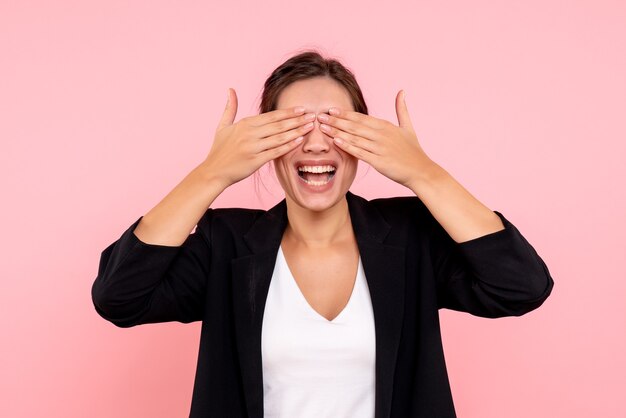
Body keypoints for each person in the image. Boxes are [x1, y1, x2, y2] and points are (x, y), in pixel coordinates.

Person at [91, 50, 554, 418]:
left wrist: (423, 174)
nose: (315, 143)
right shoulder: (225, 243)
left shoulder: (410, 237)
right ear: (262, 143)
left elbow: (521, 287)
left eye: (335, 125)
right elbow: (119, 296)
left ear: (366, 139)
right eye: (292, 126)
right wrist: (210, 174)